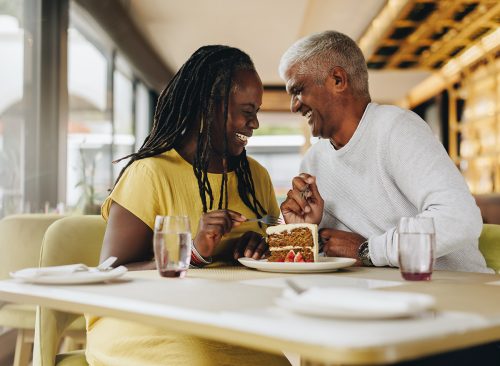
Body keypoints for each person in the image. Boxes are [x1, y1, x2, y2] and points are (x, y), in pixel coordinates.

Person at [86, 45, 290, 366]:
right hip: (146, 321)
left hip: (229, 321)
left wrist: (265, 247)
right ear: (208, 108)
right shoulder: (150, 173)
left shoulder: (256, 177)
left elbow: (276, 261)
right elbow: (110, 272)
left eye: (257, 112)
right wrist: (192, 253)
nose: (255, 124)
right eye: (247, 111)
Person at [278, 30, 492, 273]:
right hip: (374, 298)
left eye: (297, 90)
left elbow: (459, 219)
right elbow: (334, 253)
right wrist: (305, 233)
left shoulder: (395, 128)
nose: (294, 106)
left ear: (338, 80)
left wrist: (369, 251)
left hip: (453, 294)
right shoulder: (313, 162)